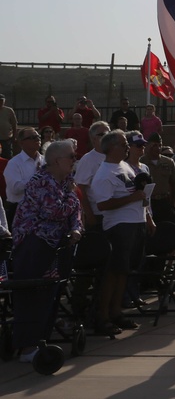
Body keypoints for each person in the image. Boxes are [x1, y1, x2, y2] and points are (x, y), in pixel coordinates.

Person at [9, 140, 82, 363]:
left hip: (56, 246)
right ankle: (27, 346)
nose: (74, 160)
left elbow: (74, 214)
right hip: (34, 245)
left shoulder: (66, 183)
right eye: (71, 156)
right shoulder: (40, 182)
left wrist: (76, 228)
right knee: (32, 295)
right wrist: (71, 197)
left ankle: (41, 340)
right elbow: (55, 211)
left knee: (49, 295)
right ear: (57, 160)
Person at [91, 129, 156, 335]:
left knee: (124, 271)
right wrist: (133, 198)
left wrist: (145, 211)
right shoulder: (104, 173)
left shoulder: (125, 167)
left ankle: (116, 312)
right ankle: (103, 316)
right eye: (122, 143)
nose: (127, 146)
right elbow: (102, 205)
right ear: (110, 148)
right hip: (119, 227)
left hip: (135, 223)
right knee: (113, 273)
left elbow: (135, 193)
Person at [74, 121, 111, 230]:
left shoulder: (114, 156)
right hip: (97, 214)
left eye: (108, 134)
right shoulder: (88, 159)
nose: (105, 137)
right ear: (93, 138)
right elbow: (80, 189)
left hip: (115, 213)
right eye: (101, 134)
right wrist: (90, 216)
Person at [4, 127, 44, 222]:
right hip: (20, 211)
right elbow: (15, 188)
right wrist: (36, 178)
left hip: (43, 210)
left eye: (38, 136)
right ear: (21, 143)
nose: (37, 139)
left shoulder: (45, 161)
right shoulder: (14, 163)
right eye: (32, 137)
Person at [143, 132, 175, 223]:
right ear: (147, 146)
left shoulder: (168, 162)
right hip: (148, 202)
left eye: (159, 145)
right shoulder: (141, 162)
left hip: (164, 201)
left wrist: (172, 202)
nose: (157, 148)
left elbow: (174, 184)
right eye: (154, 145)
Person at [0, 93, 17, 159]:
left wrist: (14, 136)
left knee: (7, 156)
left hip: (6, 138)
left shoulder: (9, 110)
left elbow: (14, 124)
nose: (0, 102)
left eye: (2, 100)